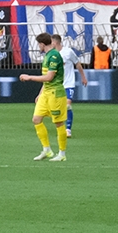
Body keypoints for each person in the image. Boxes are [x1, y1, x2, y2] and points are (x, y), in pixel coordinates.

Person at [20, 32, 68, 162]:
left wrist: (29, 77)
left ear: (42, 44)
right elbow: (46, 80)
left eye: (38, 44)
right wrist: (40, 93)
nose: (38, 46)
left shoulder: (54, 56)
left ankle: (62, 154)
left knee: (58, 123)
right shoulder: (47, 55)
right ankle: (47, 150)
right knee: (36, 119)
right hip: (46, 92)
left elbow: (49, 77)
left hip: (55, 93)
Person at [54, 34, 79, 138]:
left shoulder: (68, 52)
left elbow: (77, 63)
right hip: (58, 84)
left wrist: (83, 77)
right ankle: (61, 126)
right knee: (58, 107)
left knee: (67, 105)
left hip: (69, 83)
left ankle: (68, 129)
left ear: (56, 42)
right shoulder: (53, 55)